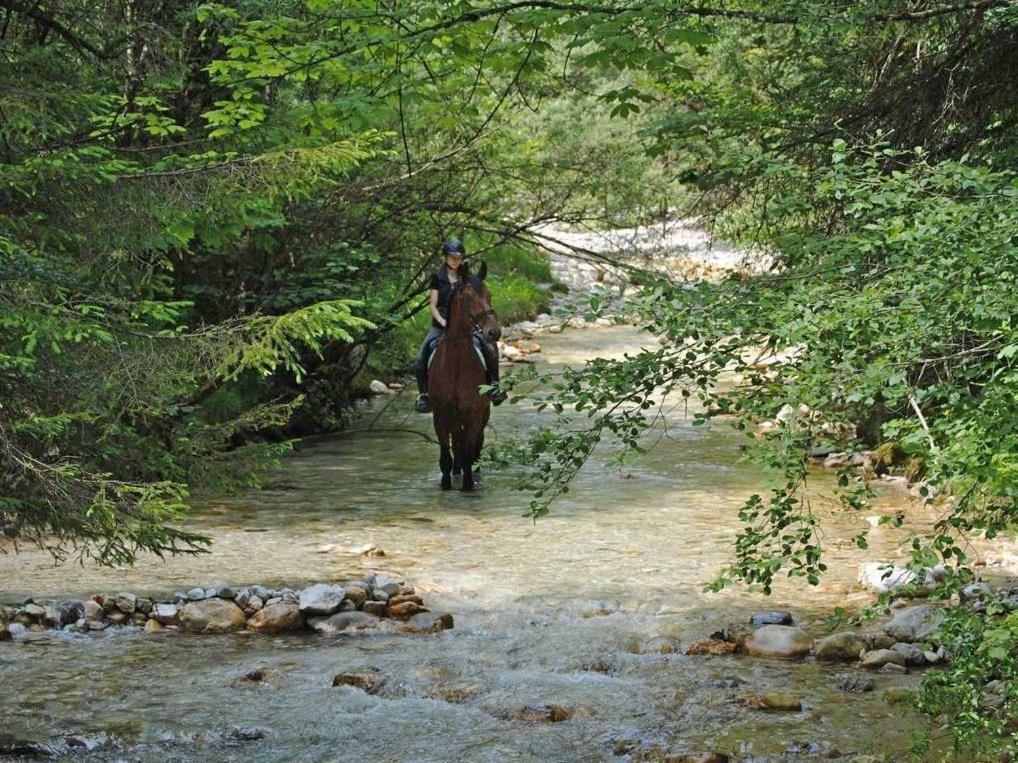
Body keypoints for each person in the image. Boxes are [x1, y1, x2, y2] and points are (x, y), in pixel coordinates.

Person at [415, 239, 504, 413]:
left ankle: (494, 388)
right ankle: (424, 396)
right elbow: (433, 305)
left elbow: (476, 297)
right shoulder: (437, 278)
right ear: (445, 258)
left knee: (490, 351)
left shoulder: (465, 278)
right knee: (420, 358)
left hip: (466, 327)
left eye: (458, 257)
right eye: (452, 257)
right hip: (441, 326)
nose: (455, 261)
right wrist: (442, 321)